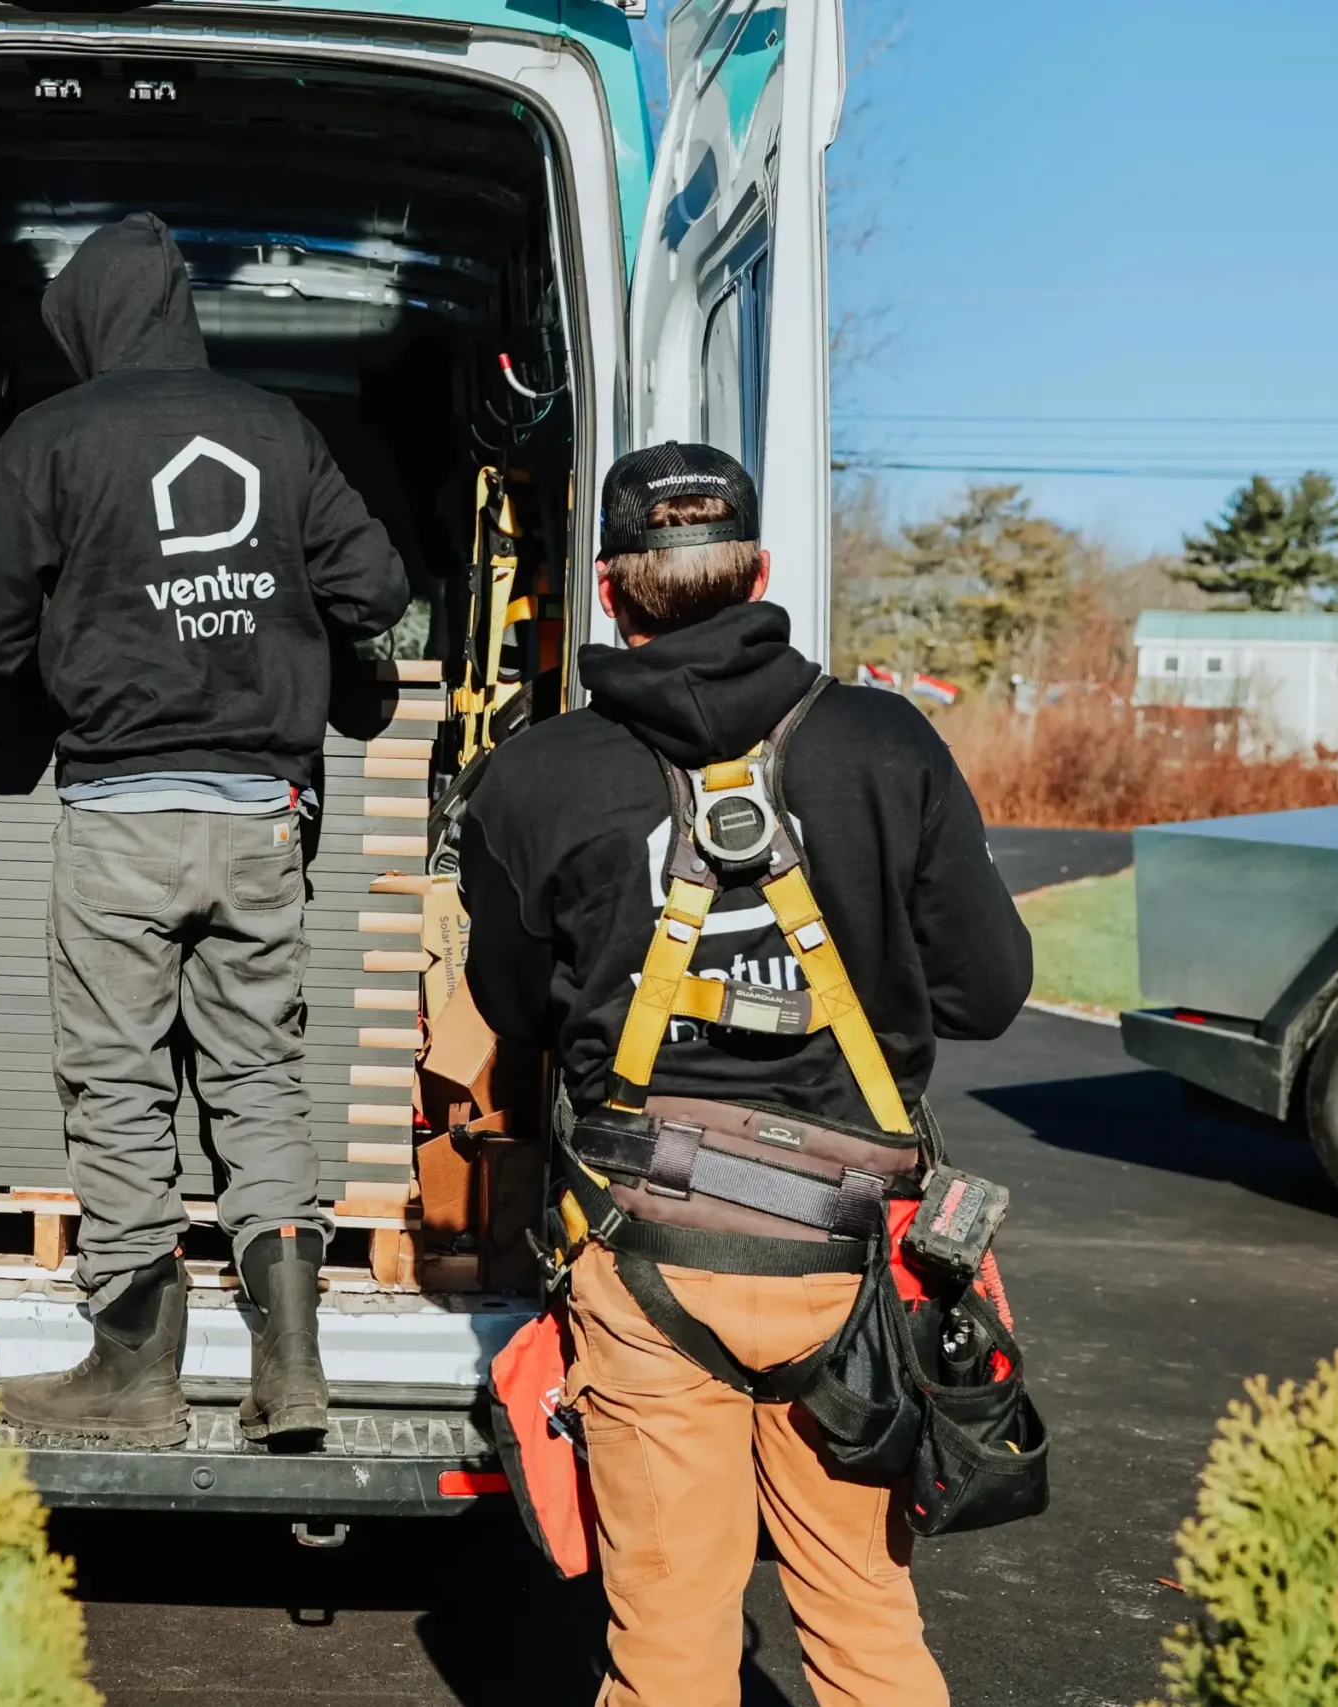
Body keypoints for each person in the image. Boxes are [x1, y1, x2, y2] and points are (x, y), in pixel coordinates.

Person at [458, 444, 1032, 1707]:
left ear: (607, 590)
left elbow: (509, 1008)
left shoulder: (535, 777)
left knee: (666, 1652)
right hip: (851, 1262)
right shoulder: (887, 743)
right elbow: (985, 989)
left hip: (648, 1247)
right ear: (761, 573)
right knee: (868, 1631)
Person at [0, 213, 408, 1448]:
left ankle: (134, 1377)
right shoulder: (277, 428)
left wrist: (83, 625)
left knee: (119, 1086)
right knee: (258, 1081)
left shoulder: (51, 439)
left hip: (121, 822)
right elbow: (378, 591)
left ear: (89, 323)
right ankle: (290, 1372)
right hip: (261, 819)